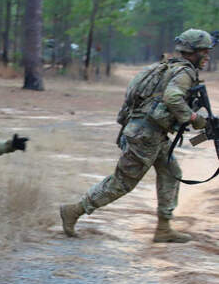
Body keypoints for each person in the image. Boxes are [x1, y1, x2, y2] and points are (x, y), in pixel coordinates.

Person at [60, 28, 214, 243]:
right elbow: (173, 99)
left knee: (170, 172)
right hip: (146, 136)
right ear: (192, 51)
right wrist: (196, 119)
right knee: (122, 183)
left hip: (150, 133)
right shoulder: (184, 72)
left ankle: (164, 228)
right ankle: (74, 210)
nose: (207, 56)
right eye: (204, 52)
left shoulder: (166, 67)